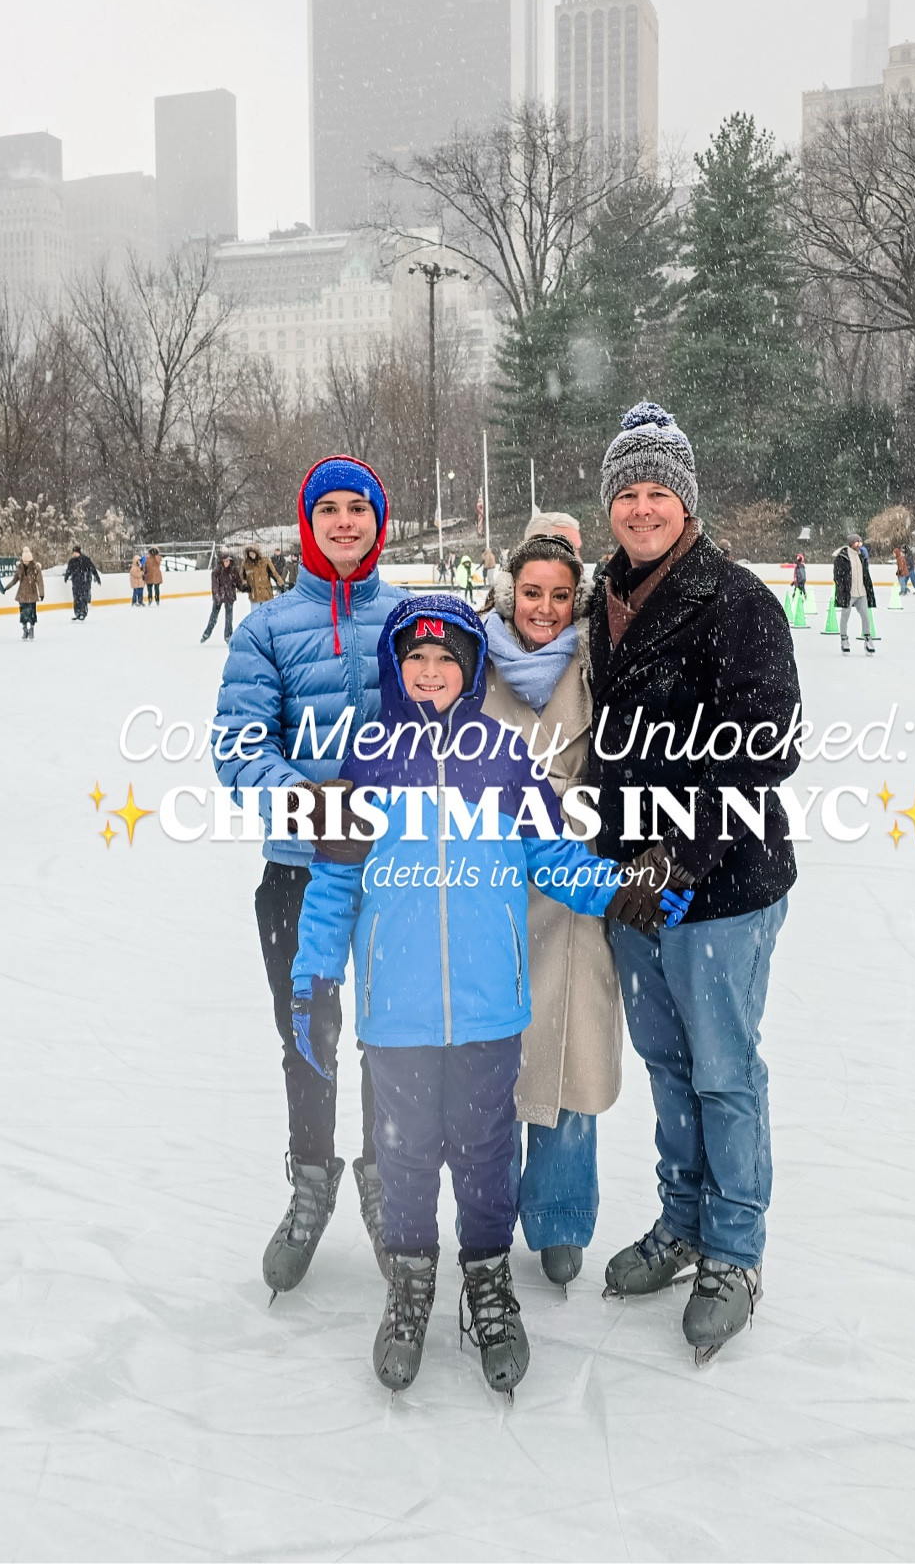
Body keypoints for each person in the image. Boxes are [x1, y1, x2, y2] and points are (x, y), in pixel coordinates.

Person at [289, 594, 632, 1396]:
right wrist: (315, 979)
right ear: (395, 667)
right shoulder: (365, 757)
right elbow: (334, 884)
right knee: (404, 1151)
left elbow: (553, 857)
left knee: (484, 1155)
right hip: (397, 1015)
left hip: (488, 1009)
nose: (432, 672)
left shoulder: (506, 757)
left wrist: (621, 889)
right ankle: (410, 1282)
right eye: (417, 659)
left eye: (448, 660)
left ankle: (486, 1279)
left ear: (474, 668)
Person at [586, 400, 801, 1366]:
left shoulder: (737, 600)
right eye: (627, 493)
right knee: (669, 1067)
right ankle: (682, 1223)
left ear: (687, 503)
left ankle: (735, 1251)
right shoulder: (604, 595)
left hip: (720, 887)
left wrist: (675, 856)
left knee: (722, 1069)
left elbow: (766, 749)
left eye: (657, 493)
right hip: (627, 887)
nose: (641, 508)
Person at [213, 457, 404, 1297]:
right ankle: (312, 1183)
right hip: (299, 874)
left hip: (400, 873)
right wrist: (304, 801)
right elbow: (239, 745)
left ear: (377, 521)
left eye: (356, 508)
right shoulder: (267, 629)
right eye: (326, 509)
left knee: (395, 1039)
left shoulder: (411, 617)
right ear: (306, 524)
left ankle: (385, 1187)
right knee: (308, 1036)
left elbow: (456, 720)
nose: (342, 521)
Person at [481, 531, 622, 1289]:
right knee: (493, 1058)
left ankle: (563, 1215)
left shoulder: (595, 660)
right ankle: (491, 1211)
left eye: (560, 595)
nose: (544, 608)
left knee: (572, 1051)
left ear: (578, 600)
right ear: (510, 593)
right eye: (531, 592)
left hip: (575, 877)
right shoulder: (474, 658)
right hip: (494, 878)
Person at [833, 532, 877, 654]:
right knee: (845, 616)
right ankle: (844, 639)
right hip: (849, 593)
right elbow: (837, 575)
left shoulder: (861, 556)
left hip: (861, 592)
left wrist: (867, 588)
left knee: (865, 617)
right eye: (857, 542)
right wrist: (843, 588)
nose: (859, 545)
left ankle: (868, 639)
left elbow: (865, 574)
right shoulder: (843, 557)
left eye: (860, 542)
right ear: (851, 543)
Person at [200, 550, 240, 644]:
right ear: (221, 561)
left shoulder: (233, 570)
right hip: (220, 597)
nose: (227, 563)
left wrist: (244, 587)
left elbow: (237, 582)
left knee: (229, 617)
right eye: (225, 561)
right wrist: (217, 597)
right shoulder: (216, 571)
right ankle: (207, 633)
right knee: (214, 616)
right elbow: (215, 586)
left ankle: (228, 636)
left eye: (228, 561)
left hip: (229, 596)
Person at [5, 546, 44, 639]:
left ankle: (31, 629)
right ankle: (25, 629)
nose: (26, 563)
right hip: (22, 594)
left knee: (32, 613)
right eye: (24, 561)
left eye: (27, 561)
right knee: (23, 613)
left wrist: (41, 593)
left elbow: (40, 581)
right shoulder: (20, 568)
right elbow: (14, 580)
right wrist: (6, 587)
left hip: (32, 593)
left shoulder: (36, 568)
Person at [240, 543, 285, 609]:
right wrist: (245, 584)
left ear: (257, 553)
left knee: (266, 614)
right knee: (255, 615)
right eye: (249, 553)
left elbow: (274, 573)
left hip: (265, 593)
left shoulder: (265, 561)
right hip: (254, 594)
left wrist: (280, 583)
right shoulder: (246, 564)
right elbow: (242, 576)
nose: (251, 555)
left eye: (253, 553)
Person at [64, 545, 101, 620]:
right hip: (75, 583)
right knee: (76, 598)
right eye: (73, 552)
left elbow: (92, 568)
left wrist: (96, 576)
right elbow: (69, 570)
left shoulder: (85, 560)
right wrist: (66, 576)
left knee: (83, 598)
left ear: (78, 552)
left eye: (75, 552)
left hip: (84, 582)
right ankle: (77, 613)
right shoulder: (72, 561)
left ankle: (83, 613)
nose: (74, 554)